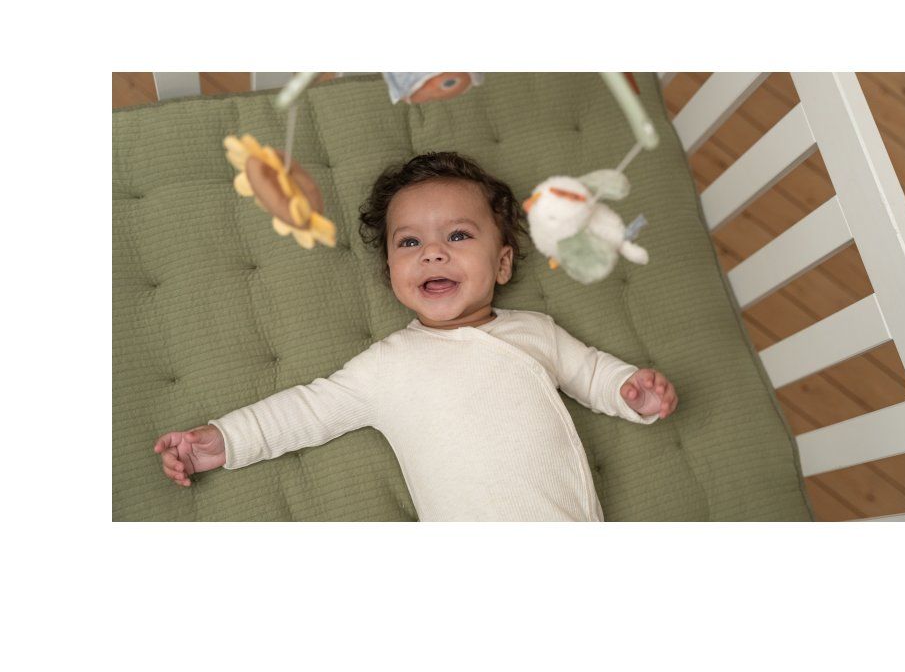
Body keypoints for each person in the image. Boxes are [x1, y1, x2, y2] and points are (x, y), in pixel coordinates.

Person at [154, 152, 679, 520]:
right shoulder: (388, 365)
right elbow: (307, 411)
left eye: (458, 235)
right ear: (391, 274)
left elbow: (591, 371)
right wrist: (223, 440)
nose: (433, 252)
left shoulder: (535, 331)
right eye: (409, 243)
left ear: (502, 264)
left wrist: (631, 390)